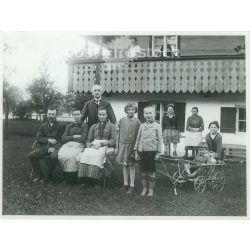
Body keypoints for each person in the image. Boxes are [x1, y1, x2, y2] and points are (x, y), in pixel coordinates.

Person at [78, 107, 117, 188]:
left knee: (98, 156)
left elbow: (113, 140)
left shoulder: (112, 126)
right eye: (100, 114)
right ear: (98, 115)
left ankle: (97, 181)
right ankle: (85, 180)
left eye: (104, 114)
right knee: (86, 154)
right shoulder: (93, 126)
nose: (102, 116)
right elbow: (88, 140)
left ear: (107, 115)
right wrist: (89, 146)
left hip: (105, 145)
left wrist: (102, 144)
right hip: (94, 145)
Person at [28, 108, 64, 182]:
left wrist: (54, 148)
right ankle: (39, 175)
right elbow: (38, 137)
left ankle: (47, 176)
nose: (51, 116)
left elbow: (61, 140)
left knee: (53, 157)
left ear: (56, 115)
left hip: (56, 148)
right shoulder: (43, 126)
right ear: (47, 115)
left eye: (53, 114)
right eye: (49, 114)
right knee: (31, 155)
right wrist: (48, 140)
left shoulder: (61, 126)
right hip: (45, 148)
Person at [134, 106, 162, 197]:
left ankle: (150, 190)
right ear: (144, 115)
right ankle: (144, 188)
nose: (148, 115)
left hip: (152, 152)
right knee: (143, 171)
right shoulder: (142, 126)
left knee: (151, 171)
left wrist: (158, 152)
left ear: (154, 114)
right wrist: (136, 151)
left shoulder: (157, 126)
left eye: (150, 113)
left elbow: (160, 140)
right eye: (146, 113)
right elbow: (138, 139)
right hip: (142, 151)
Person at [58, 109, 88, 184]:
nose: (76, 116)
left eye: (78, 114)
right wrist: (74, 136)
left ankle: (72, 177)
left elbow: (83, 139)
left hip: (79, 145)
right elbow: (63, 138)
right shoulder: (69, 126)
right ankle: (66, 176)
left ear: (81, 115)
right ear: (72, 116)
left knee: (72, 156)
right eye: (74, 114)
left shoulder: (84, 126)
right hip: (68, 145)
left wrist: (70, 137)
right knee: (61, 155)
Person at [116, 103, 141, 194]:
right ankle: (125, 184)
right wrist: (117, 147)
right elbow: (118, 135)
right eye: (129, 109)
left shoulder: (137, 122)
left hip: (132, 146)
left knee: (131, 165)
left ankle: (132, 185)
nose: (130, 111)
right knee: (124, 165)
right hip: (123, 145)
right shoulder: (121, 120)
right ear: (126, 110)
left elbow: (139, 136)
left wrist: (136, 149)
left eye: (132, 109)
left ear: (135, 111)